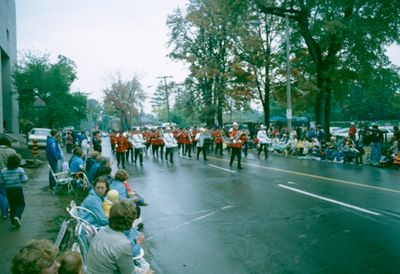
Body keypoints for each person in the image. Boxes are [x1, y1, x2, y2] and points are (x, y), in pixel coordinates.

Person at [86, 201, 154, 274]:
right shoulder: (123, 244)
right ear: (130, 221)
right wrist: (143, 272)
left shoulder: (102, 231)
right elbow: (129, 272)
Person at [0, 153, 28, 228]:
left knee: (12, 206)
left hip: (8, 190)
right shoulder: (20, 170)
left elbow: (1, 181)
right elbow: (24, 180)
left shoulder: (3, 171)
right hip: (18, 189)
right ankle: (17, 217)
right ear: (18, 162)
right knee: (21, 204)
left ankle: (13, 222)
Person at [0, 136, 15, 219]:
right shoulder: (12, 151)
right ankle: (9, 209)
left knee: (2, 194)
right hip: (10, 175)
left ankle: (4, 212)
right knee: (9, 193)